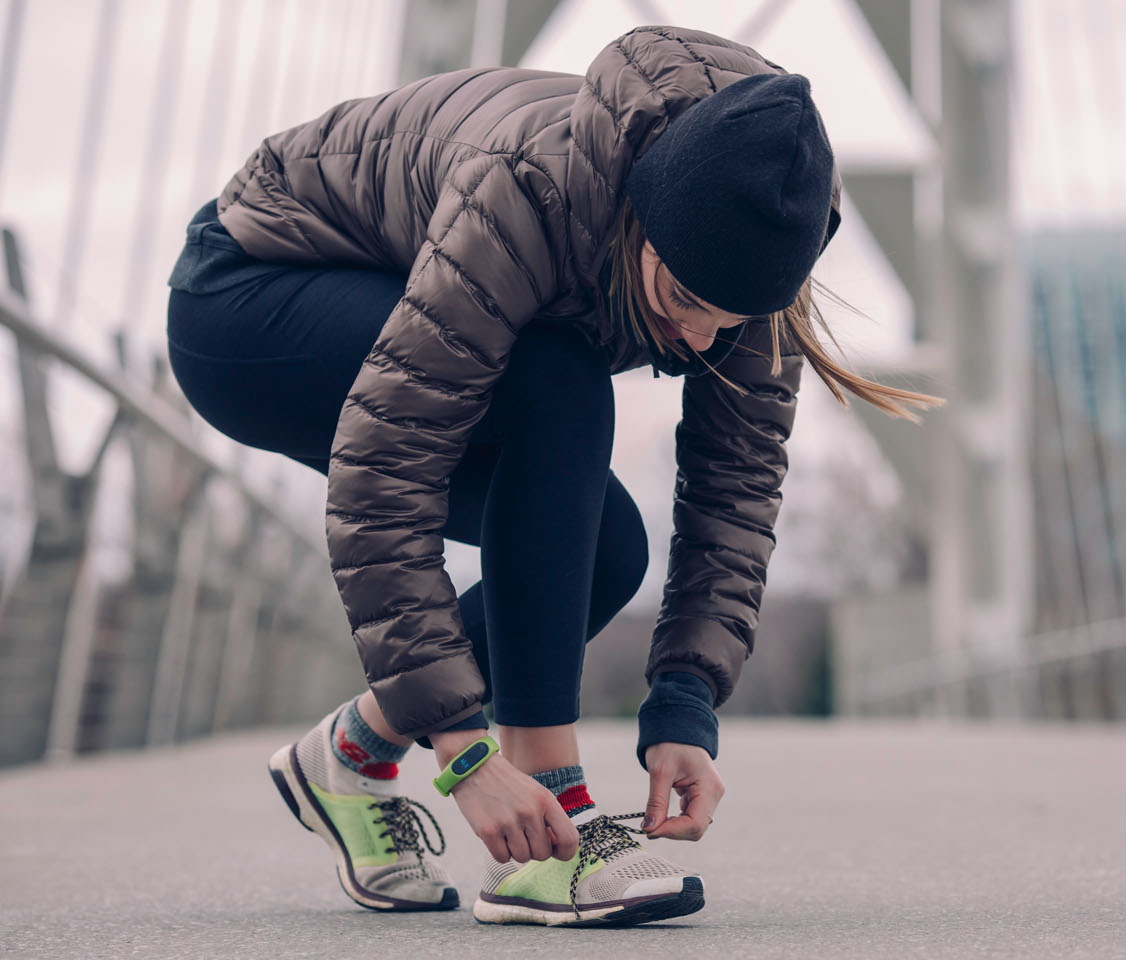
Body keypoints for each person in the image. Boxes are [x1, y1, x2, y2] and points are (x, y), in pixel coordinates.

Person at [164, 24, 942, 927]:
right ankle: (553, 818)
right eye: (685, 301)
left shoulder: (764, 241)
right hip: (250, 295)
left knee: (603, 551)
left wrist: (686, 703)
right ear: (643, 221)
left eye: (729, 321)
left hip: (397, 316)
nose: (699, 340)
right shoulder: (527, 192)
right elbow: (386, 475)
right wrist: (463, 752)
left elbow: (735, 491)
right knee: (558, 377)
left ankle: (351, 753)